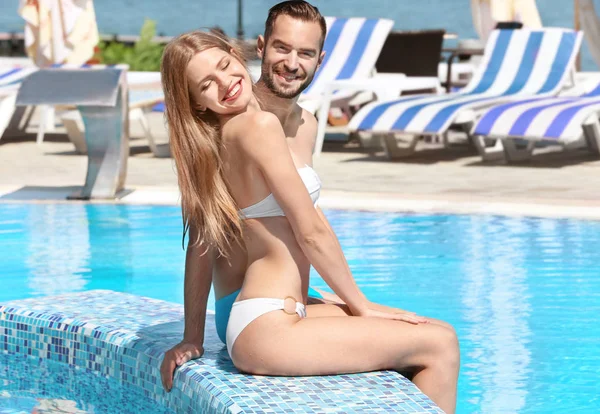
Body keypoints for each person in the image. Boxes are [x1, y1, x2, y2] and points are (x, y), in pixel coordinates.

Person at [159, 2, 459, 412]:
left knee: (429, 331)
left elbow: (209, 236)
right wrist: (362, 305)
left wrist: (193, 335)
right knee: (439, 344)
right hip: (265, 317)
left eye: (226, 65)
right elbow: (308, 230)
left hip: (276, 306)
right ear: (261, 48)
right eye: (206, 83)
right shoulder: (254, 127)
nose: (226, 81)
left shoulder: (291, 125)